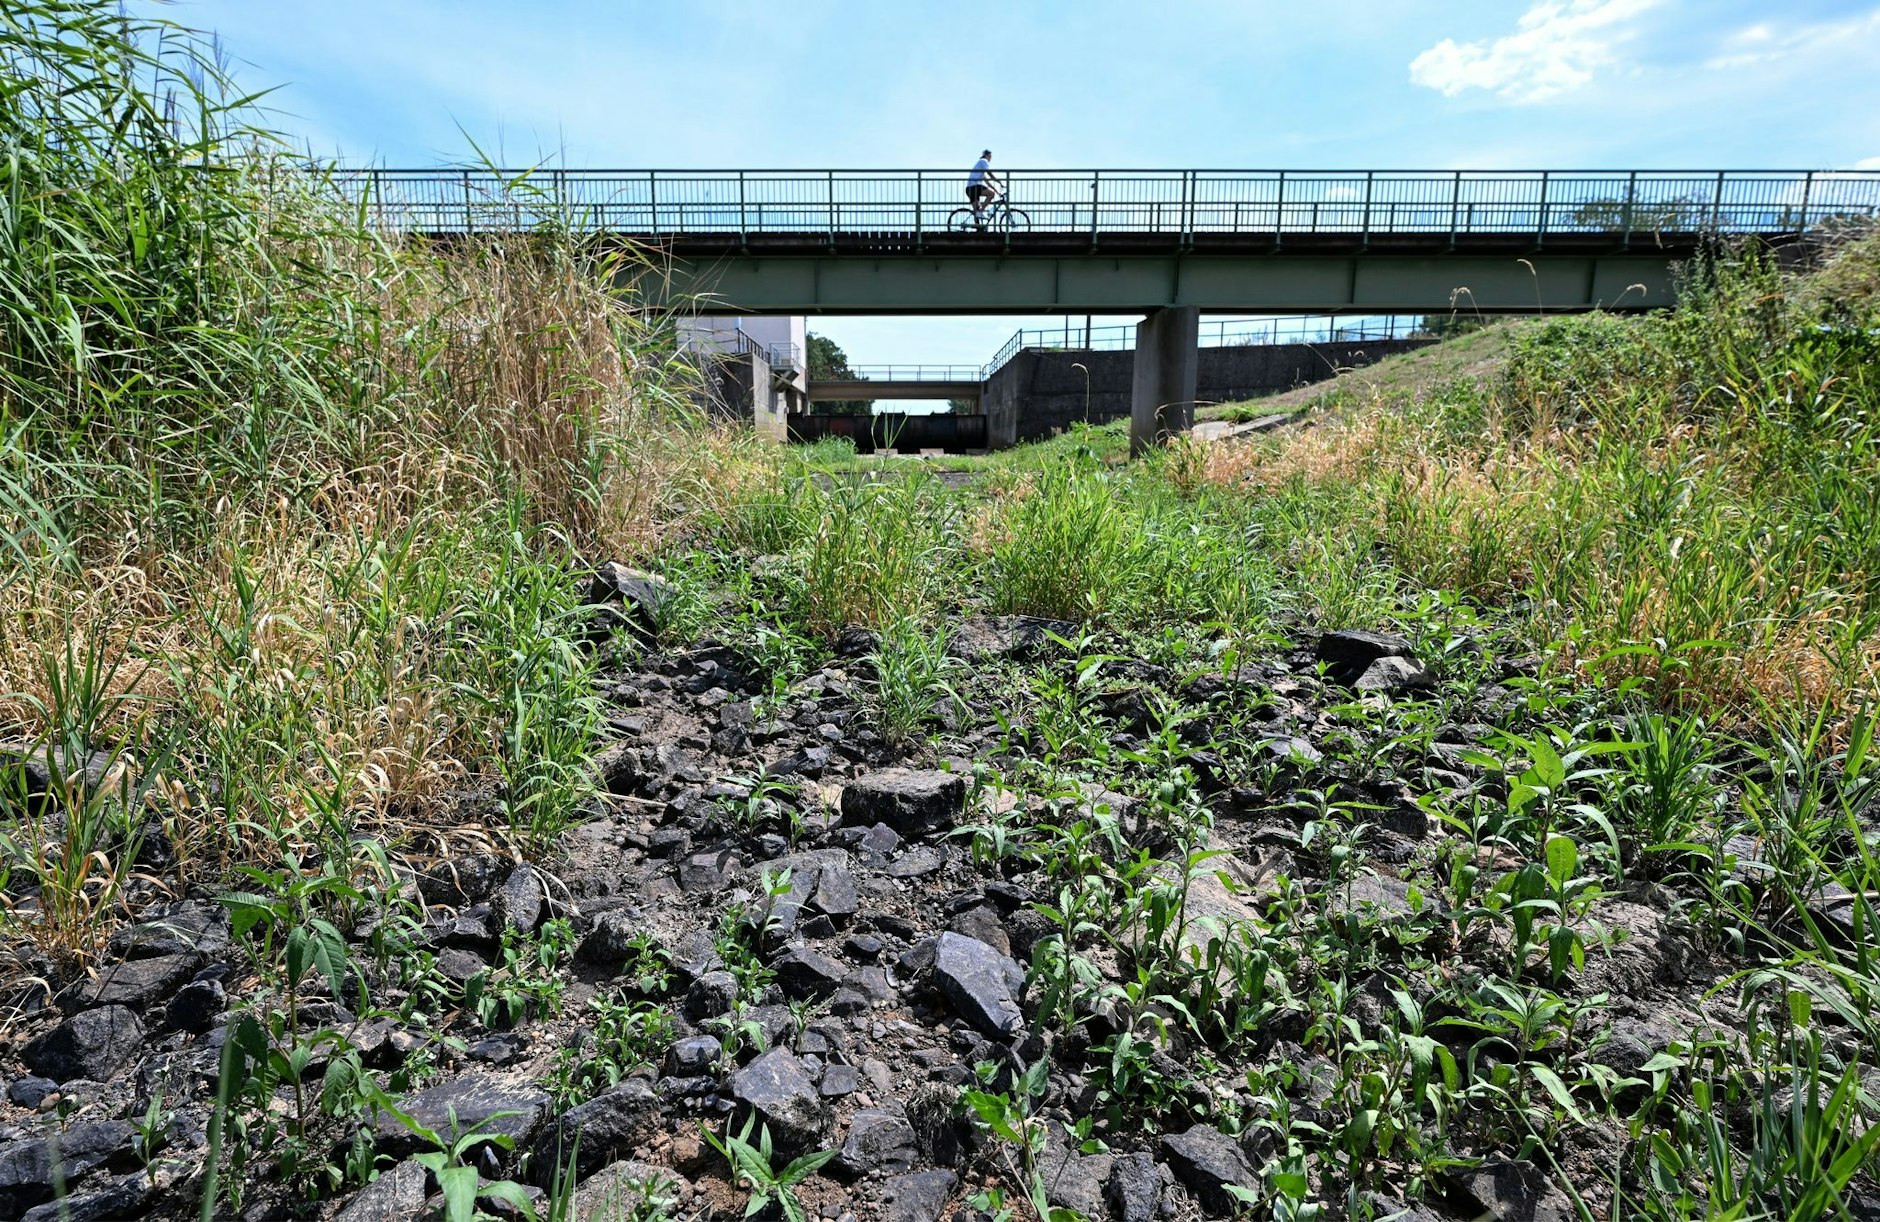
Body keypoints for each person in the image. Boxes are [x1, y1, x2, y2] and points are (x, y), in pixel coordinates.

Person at [966, 150, 1002, 228]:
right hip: (975, 186)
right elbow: (989, 173)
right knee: (991, 194)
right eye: (990, 156)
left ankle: (978, 228)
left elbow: (987, 182)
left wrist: (997, 191)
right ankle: (981, 211)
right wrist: (998, 181)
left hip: (969, 188)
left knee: (976, 210)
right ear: (987, 155)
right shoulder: (983, 161)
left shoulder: (979, 169)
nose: (990, 158)